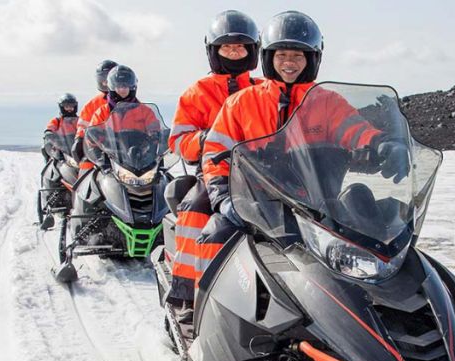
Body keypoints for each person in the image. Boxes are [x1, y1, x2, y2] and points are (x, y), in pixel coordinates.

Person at [198, 11, 408, 280]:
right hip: (257, 206)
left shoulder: (326, 101)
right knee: (216, 240)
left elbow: (355, 129)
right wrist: (223, 198)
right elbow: (215, 152)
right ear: (268, 57)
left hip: (318, 207)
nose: (289, 62)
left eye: (298, 55)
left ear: (312, 59)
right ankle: (197, 304)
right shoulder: (240, 103)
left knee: (369, 227)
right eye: (282, 54)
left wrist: (382, 144)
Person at [166, 10, 260, 313]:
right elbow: (178, 141)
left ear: (253, 51)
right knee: (194, 209)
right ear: (214, 51)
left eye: (240, 47)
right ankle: (189, 295)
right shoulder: (197, 93)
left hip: (261, 174)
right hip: (212, 174)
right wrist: (205, 139)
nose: (234, 53)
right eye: (227, 47)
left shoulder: (261, 89)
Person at [72, 59, 118, 170]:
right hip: (99, 149)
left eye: (110, 78)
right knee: (86, 166)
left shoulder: (131, 102)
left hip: (125, 150)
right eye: (104, 79)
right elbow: (83, 125)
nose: (107, 82)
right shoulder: (92, 104)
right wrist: (79, 139)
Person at [42, 93, 78, 161]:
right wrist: (49, 132)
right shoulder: (57, 121)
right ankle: (48, 168)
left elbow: (86, 129)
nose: (69, 109)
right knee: (44, 149)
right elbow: (50, 128)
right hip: (62, 148)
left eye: (71, 106)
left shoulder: (79, 120)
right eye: (67, 107)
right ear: (62, 107)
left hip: (77, 149)